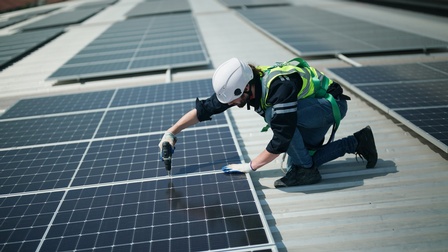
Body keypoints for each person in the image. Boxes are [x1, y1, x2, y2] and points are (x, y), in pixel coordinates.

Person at [158, 57, 377, 187]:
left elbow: (282, 138)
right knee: (297, 163)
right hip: (310, 110)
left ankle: (308, 170)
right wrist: (172, 132)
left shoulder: (277, 89)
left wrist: (250, 166)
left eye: (234, 99)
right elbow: (205, 108)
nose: (232, 104)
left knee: (278, 121)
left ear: (245, 88)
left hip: (330, 106)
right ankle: (357, 142)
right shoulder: (242, 86)